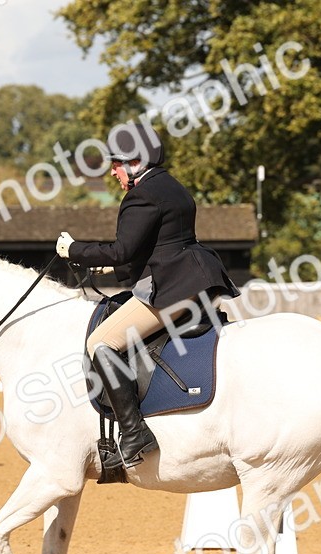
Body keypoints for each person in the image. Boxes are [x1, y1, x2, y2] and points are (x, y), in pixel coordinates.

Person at [56, 123, 240, 469]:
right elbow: (161, 245)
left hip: (173, 290)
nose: (113, 171)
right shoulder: (173, 187)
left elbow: (123, 249)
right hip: (201, 279)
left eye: (117, 164)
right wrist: (112, 272)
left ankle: (134, 431)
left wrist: (73, 249)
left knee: (101, 342)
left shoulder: (141, 195)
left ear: (136, 161)